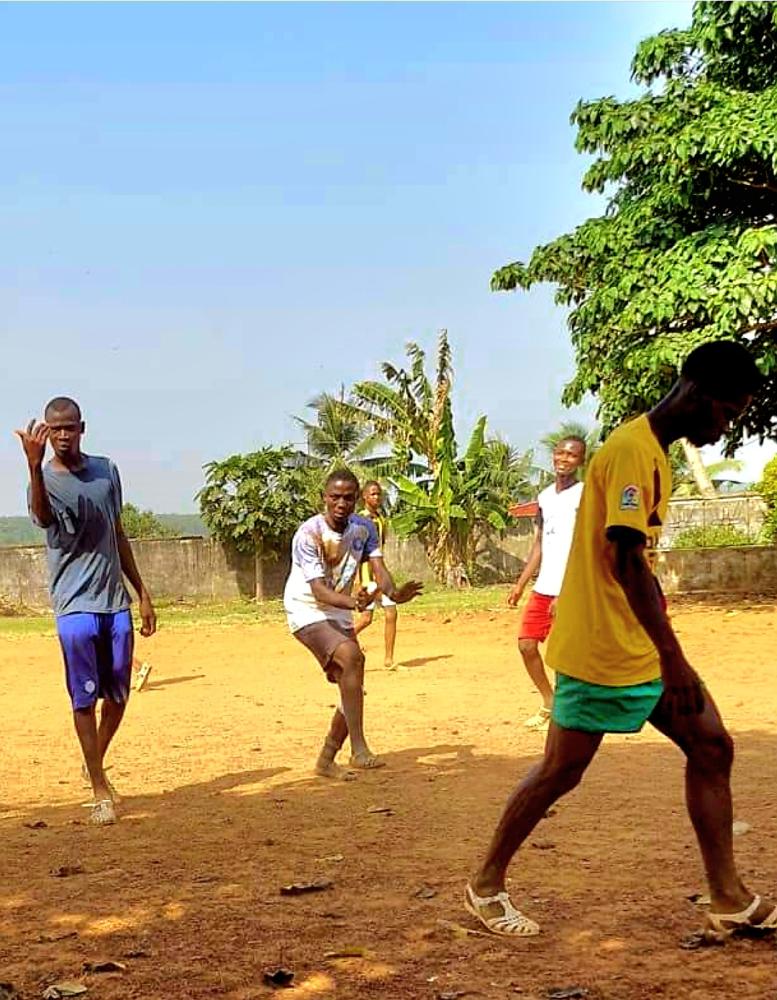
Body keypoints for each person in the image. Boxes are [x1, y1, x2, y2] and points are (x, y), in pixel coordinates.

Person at [466, 342, 777, 938]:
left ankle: (728, 896)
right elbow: (625, 561)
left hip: (636, 646)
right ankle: (484, 885)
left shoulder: (652, 450)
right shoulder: (632, 450)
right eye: (727, 412)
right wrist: (675, 658)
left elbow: (640, 565)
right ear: (698, 393)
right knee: (561, 771)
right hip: (601, 649)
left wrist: (662, 647)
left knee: (712, 746)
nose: (726, 428)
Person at [16, 397, 156, 826]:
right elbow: (43, 518)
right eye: (55, 429)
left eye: (69, 427)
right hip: (74, 604)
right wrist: (33, 466)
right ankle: (99, 789)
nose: (63, 435)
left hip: (114, 600)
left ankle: (92, 760)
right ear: (46, 432)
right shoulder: (43, 480)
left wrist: (141, 591)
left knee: (118, 694)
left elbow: (118, 532)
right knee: (83, 696)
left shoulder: (106, 471)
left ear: (82, 428)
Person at [284, 469, 422, 777]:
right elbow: (319, 591)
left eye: (348, 498)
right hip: (306, 608)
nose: (341, 503)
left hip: (339, 609)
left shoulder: (364, 528)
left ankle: (326, 760)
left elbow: (379, 570)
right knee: (352, 658)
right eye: (335, 497)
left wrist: (394, 593)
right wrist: (354, 603)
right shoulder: (309, 534)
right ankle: (359, 749)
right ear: (324, 498)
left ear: (356, 498)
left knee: (352, 683)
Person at [508, 438, 586, 729]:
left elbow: (586, 544)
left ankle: (569, 711)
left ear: (580, 461)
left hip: (573, 587)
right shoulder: (544, 497)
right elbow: (539, 543)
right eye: (560, 453)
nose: (564, 458)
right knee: (526, 645)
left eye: (572, 455)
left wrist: (568, 590)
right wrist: (521, 583)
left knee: (566, 654)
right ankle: (549, 701)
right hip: (544, 587)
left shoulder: (585, 495)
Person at [354, 481, 399, 670]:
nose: (377, 497)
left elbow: (379, 550)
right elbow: (356, 551)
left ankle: (388, 659)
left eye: (379, 494)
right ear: (364, 497)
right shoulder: (360, 520)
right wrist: (358, 580)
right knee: (386, 612)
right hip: (367, 576)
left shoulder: (381, 519)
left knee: (371, 617)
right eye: (373, 494)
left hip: (378, 574)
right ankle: (340, 642)